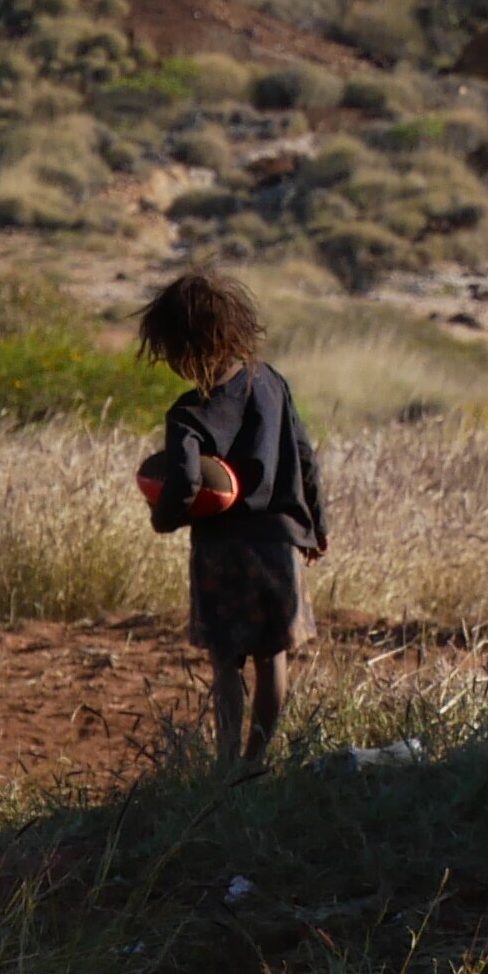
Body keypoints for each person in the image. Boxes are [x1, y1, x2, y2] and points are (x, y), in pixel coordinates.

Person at [133, 269, 327, 769]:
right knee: (273, 657)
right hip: (280, 543)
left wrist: (164, 519)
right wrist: (316, 527)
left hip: (222, 549)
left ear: (182, 347)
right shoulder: (273, 384)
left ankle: (225, 767)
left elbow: (185, 482)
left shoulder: (189, 414)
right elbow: (305, 458)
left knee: (226, 664)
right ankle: (256, 764)